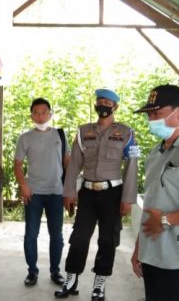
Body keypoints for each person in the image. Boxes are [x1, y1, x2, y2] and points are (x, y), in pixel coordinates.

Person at [55, 88, 139, 301]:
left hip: (113, 194)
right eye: (100, 101)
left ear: (115, 107)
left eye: (107, 102)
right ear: (95, 104)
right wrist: (69, 192)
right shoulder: (84, 131)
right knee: (79, 238)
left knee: (107, 239)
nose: (103, 105)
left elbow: (132, 166)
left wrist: (128, 199)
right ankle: (71, 280)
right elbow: (74, 164)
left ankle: (99, 284)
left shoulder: (127, 133)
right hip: (88, 194)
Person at [130, 84, 179, 301]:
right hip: (152, 253)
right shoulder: (156, 153)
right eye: (149, 115)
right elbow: (151, 204)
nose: (151, 120)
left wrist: (166, 220)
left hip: (178, 257)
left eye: (157, 113)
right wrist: (140, 247)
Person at [14, 98, 70, 287]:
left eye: (44, 112)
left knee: (57, 235)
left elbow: (67, 163)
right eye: (36, 113)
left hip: (56, 191)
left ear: (50, 113)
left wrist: (70, 191)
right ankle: (32, 271)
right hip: (34, 193)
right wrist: (24, 185)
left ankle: (55, 271)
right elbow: (18, 165)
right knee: (31, 235)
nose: (40, 116)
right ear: (31, 115)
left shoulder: (60, 135)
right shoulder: (25, 138)